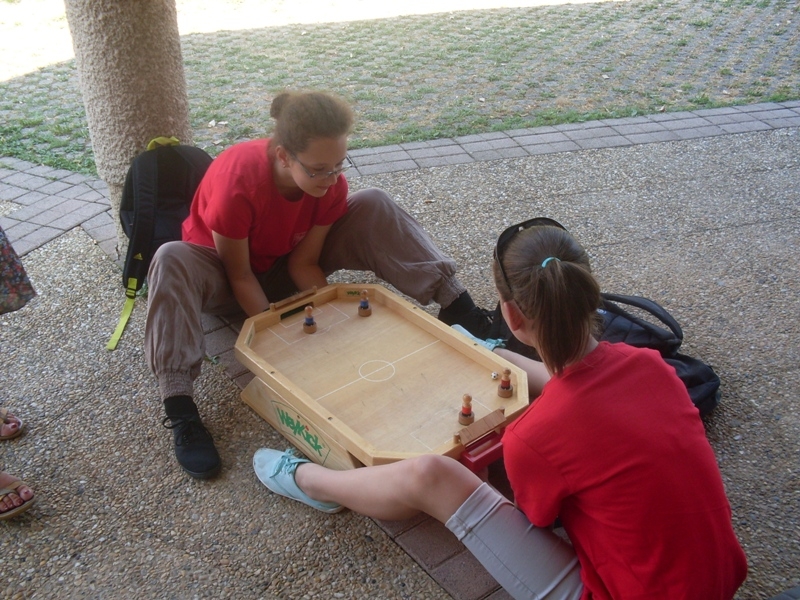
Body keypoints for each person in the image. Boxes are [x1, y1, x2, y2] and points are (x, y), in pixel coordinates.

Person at [253, 218, 748, 599]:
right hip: (719, 580)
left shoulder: (534, 436)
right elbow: (581, 384)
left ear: (510, 315)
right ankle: (484, 348)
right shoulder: (652, 367)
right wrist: (490, 354)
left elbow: (535, 517)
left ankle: (309, 482)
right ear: (587, 292)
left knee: (431, 476)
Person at [145, 91, 491, 479]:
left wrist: (328, 327)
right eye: (318, 169)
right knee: (170, 256)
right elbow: (239, 275)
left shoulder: (330, 185)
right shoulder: (237, 181)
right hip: (224, 276)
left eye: (338, 166)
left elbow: (304, 263)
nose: (331, 179)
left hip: (282, 264)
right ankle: (180, 407)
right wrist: (282, 340)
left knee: (373, 201)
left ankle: (459, 306)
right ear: (283, 157)